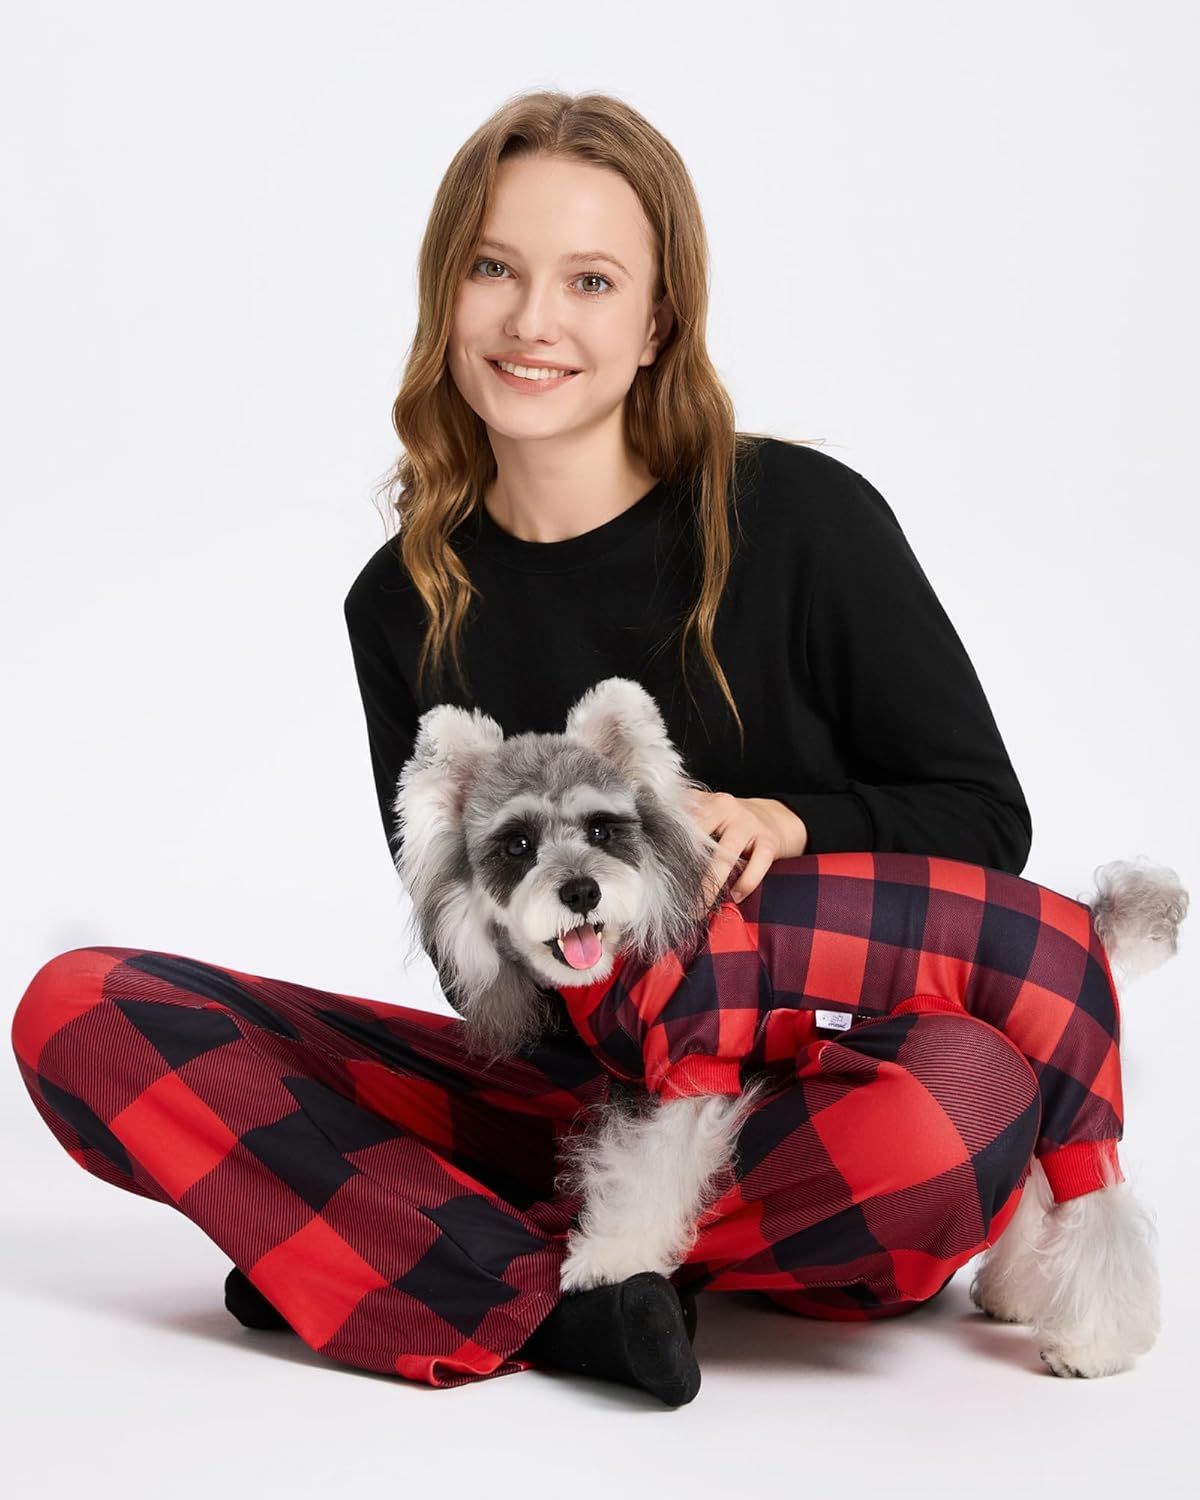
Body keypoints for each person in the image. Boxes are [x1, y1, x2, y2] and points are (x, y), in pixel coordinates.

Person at [11, 90, 1036, 1408]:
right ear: (446, 296)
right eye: (494, 268)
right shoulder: (402, 600)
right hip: (559, 1101)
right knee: (82, 1012)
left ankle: (391, 1252)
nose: (532, 320)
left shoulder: (805, 518)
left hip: (794, 1098)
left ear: (657, 323)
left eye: (590, 281)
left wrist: (789, 823)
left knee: (963, 1102)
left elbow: (984, 821)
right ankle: (563, 1292)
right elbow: (469, 964)